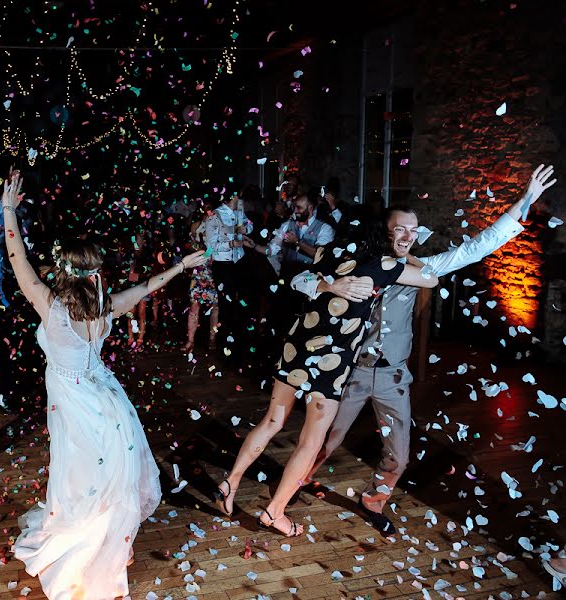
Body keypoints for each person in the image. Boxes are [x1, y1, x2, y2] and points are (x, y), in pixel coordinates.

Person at [290, 164, 557, 535]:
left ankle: (373, 501)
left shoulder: (423, 268)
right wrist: (329, 288)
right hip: (349, 372)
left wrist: (524, 200)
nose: (407, 236)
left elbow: (477, 247)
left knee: (398, 456)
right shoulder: (356, 263)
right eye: (400, 228)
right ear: (385, 230)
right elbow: (299, 278)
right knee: (323, 441)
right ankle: (294, 484)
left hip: (392, 376)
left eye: (413, 231)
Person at [2, 169, 207, 599]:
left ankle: (94, 546)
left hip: (73, 398)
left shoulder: (52, 305)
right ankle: (114, 539)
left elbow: (18, 261)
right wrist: (181, 266)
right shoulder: (105, 304)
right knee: (110, 473)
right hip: (106, 397)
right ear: (91, 273)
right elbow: (147, 287)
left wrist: (8, 212)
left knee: (78, 475)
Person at [214, 215, 439, 537]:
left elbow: (295, 280)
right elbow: (431, 279)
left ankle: (230, 480)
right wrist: (405, 256)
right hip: (330, 362)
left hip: (298, 347)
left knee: (272, 421)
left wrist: (327, 284)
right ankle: (275, 513)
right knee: (310, 442)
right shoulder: (385, 266)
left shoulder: (328, 255)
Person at [204, 192, 252, 354]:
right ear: (230, 198)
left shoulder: (239, 212)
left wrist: (246, 228)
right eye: (238, 196)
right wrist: (231, 243)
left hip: (240, 262)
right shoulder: (214, 217)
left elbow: (249, 224)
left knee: (243, 299)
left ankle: (240, 338)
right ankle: (225, 342)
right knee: (226, 303)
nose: (240, 199)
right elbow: (210, 246)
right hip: (223, 265)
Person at [182, 203, 219, 352]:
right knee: (194, 306)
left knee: (215, 307)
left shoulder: (219, 224)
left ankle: (212, 339)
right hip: (199, 269)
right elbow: (189, 246)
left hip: (214, 270)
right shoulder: (196, 226)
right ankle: (190, 340)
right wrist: (199, 248)